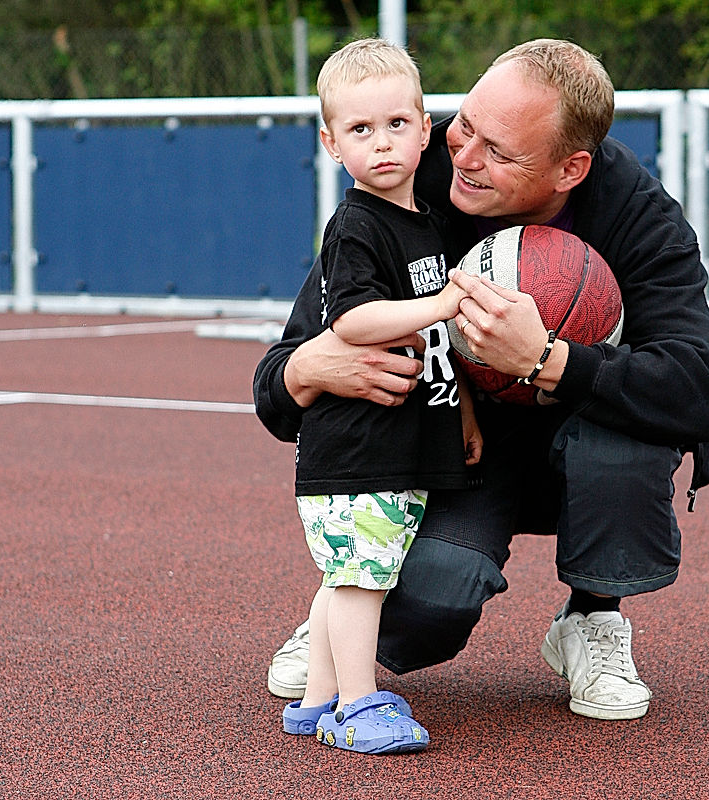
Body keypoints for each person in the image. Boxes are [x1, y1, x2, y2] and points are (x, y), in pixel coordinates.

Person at [255, 38, 709, 722]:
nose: (464, 155)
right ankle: (349, 601)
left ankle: (592, 617)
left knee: (624, 439)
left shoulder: (634, 214)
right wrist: (305, 368)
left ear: (571, 168)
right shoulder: (406, 172)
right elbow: (275, 386)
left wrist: (546, 359)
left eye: (499, 152)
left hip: (578, 441)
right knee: (430, 603)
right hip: (459, 452)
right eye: (464, 125)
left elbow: (698, 390)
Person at [278, 38, 482, 754]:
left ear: (426, 130)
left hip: (394, 447)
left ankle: (317, 698)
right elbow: (354, 322)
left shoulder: (423, 221)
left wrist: (461, 408)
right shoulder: (357, 225)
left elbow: (432, 352)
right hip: (356, 452)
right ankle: (358, 706)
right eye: (360, 130)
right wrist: (445, 304)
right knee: (363, 582)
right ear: (332, 144)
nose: (383, 143)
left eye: (397, 124)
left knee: (347, 576)